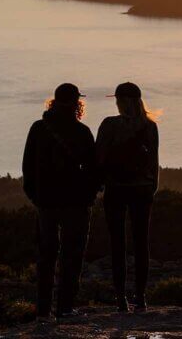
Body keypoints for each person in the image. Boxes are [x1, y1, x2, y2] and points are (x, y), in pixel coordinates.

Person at [22, 83, 98, 321]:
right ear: (77, 103)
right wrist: (89, 197)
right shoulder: (82, 132)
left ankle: (43, 310)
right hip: (76, 203)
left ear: (53, 101)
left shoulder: (38, 128)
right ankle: (65, 308)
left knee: (46, 256)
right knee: (71, 255)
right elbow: (94, 171)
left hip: (46, 202)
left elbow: (27, 168)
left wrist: (37, 198)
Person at [96, 82, 160, 313]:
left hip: (116, 189)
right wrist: (151, 187)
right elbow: (154, 162)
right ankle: (141, 298)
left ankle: (121, 298)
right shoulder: (149, 126)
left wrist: (98, 184)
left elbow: (99, 157)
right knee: (141, 243)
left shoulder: (109, 124)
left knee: (117, 244)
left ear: (120, 101)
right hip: (142, 189)